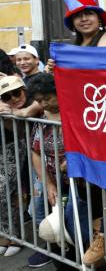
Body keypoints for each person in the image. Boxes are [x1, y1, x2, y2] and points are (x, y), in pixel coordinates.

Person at [51, 0, 106, 267]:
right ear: (72, 21)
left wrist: (68, 63)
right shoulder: (73, 47)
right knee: (89, 177)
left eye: (89, 12)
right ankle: (101, 229)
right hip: (88, 127)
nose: (84, 18)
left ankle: (104, 233)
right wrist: (58, 70)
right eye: (78, 15)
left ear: (99, 16)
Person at [27, 73, 65, 268]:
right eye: (39, 100)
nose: (44, 104)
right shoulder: (41, 118)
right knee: (43, 216)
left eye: (47, 98)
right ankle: (57, 254)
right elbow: (35, 151)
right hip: (51, 180)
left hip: (76, 184)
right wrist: (47, 183)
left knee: (75, 226)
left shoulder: (74, 112)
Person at [0, 76, 37, 257]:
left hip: (30, 154)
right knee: (6, 193)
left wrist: (20, 113)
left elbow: (20, 131)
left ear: (24, 89)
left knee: (7, 192)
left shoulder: (35, 101)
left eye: (16, 92)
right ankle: (7, 234)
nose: (13, 98)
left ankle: (16, 236)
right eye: (7, 96)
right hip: (15, 153)